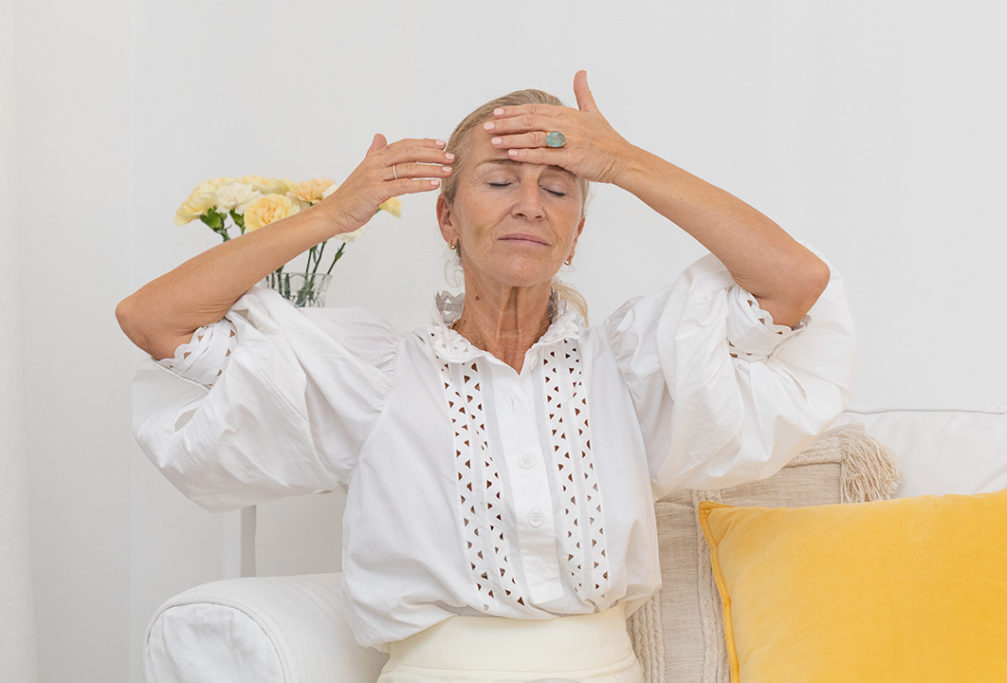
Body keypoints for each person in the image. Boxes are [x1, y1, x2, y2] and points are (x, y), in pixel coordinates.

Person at [117, 70, 855, 682]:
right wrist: (334, 214)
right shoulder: (372, 376)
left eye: (560, 188)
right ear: (447, 218)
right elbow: (155, 320)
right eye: (500, 181)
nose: (530, 205)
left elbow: (795, 282)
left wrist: (625, 162)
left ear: (576, 234)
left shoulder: (633, 368)